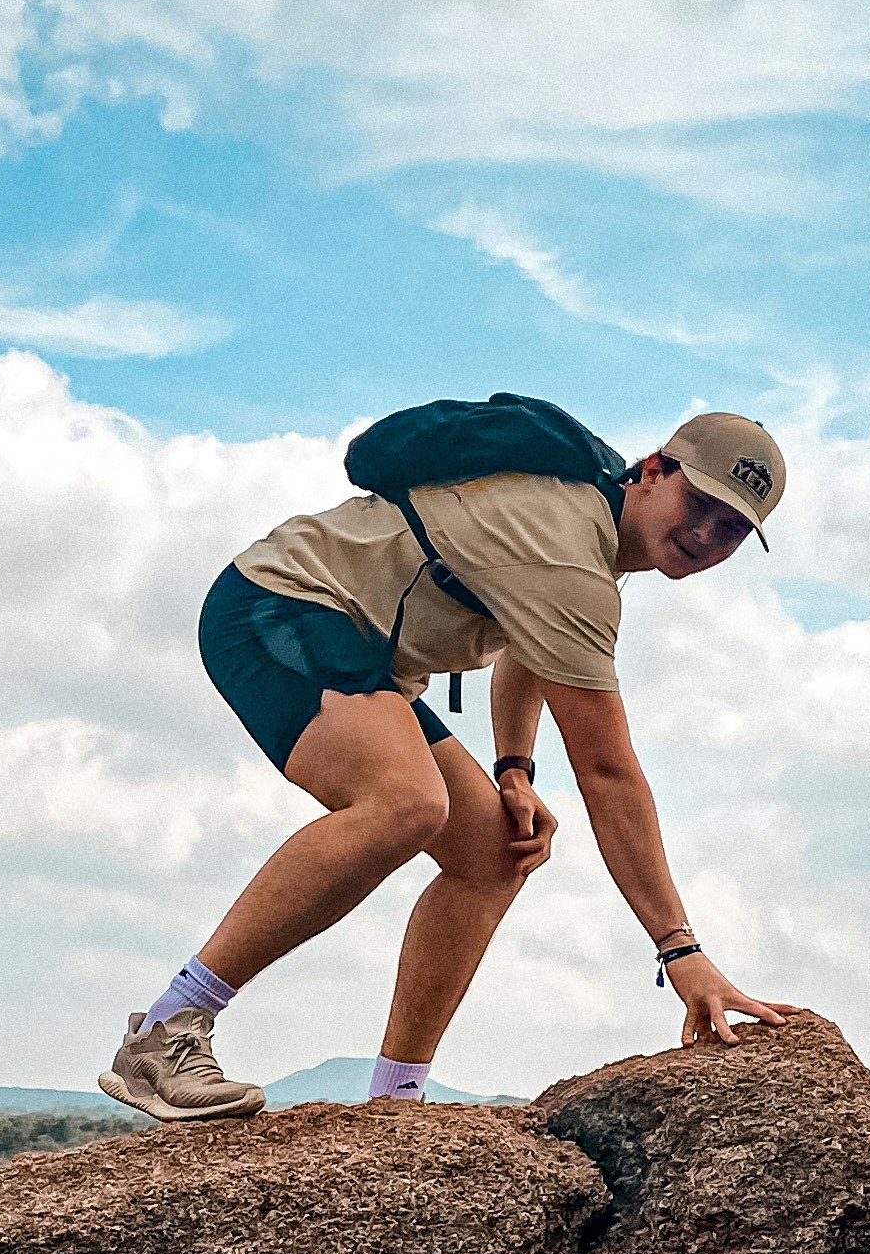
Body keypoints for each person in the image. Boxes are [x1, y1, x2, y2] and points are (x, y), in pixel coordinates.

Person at [103, 408, 800, 1121]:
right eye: (702, 505)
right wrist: (680, 953)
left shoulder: (589, 532)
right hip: (282, 603)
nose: (708, 534)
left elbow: (533, 647)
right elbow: (608, 774)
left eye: (735, 528)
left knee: (497, 849)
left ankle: (394, 1098)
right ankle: (166, 1032)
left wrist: (515, 770)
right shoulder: (568, 549)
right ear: (654, 469)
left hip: (362, 652)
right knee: (406, 801)